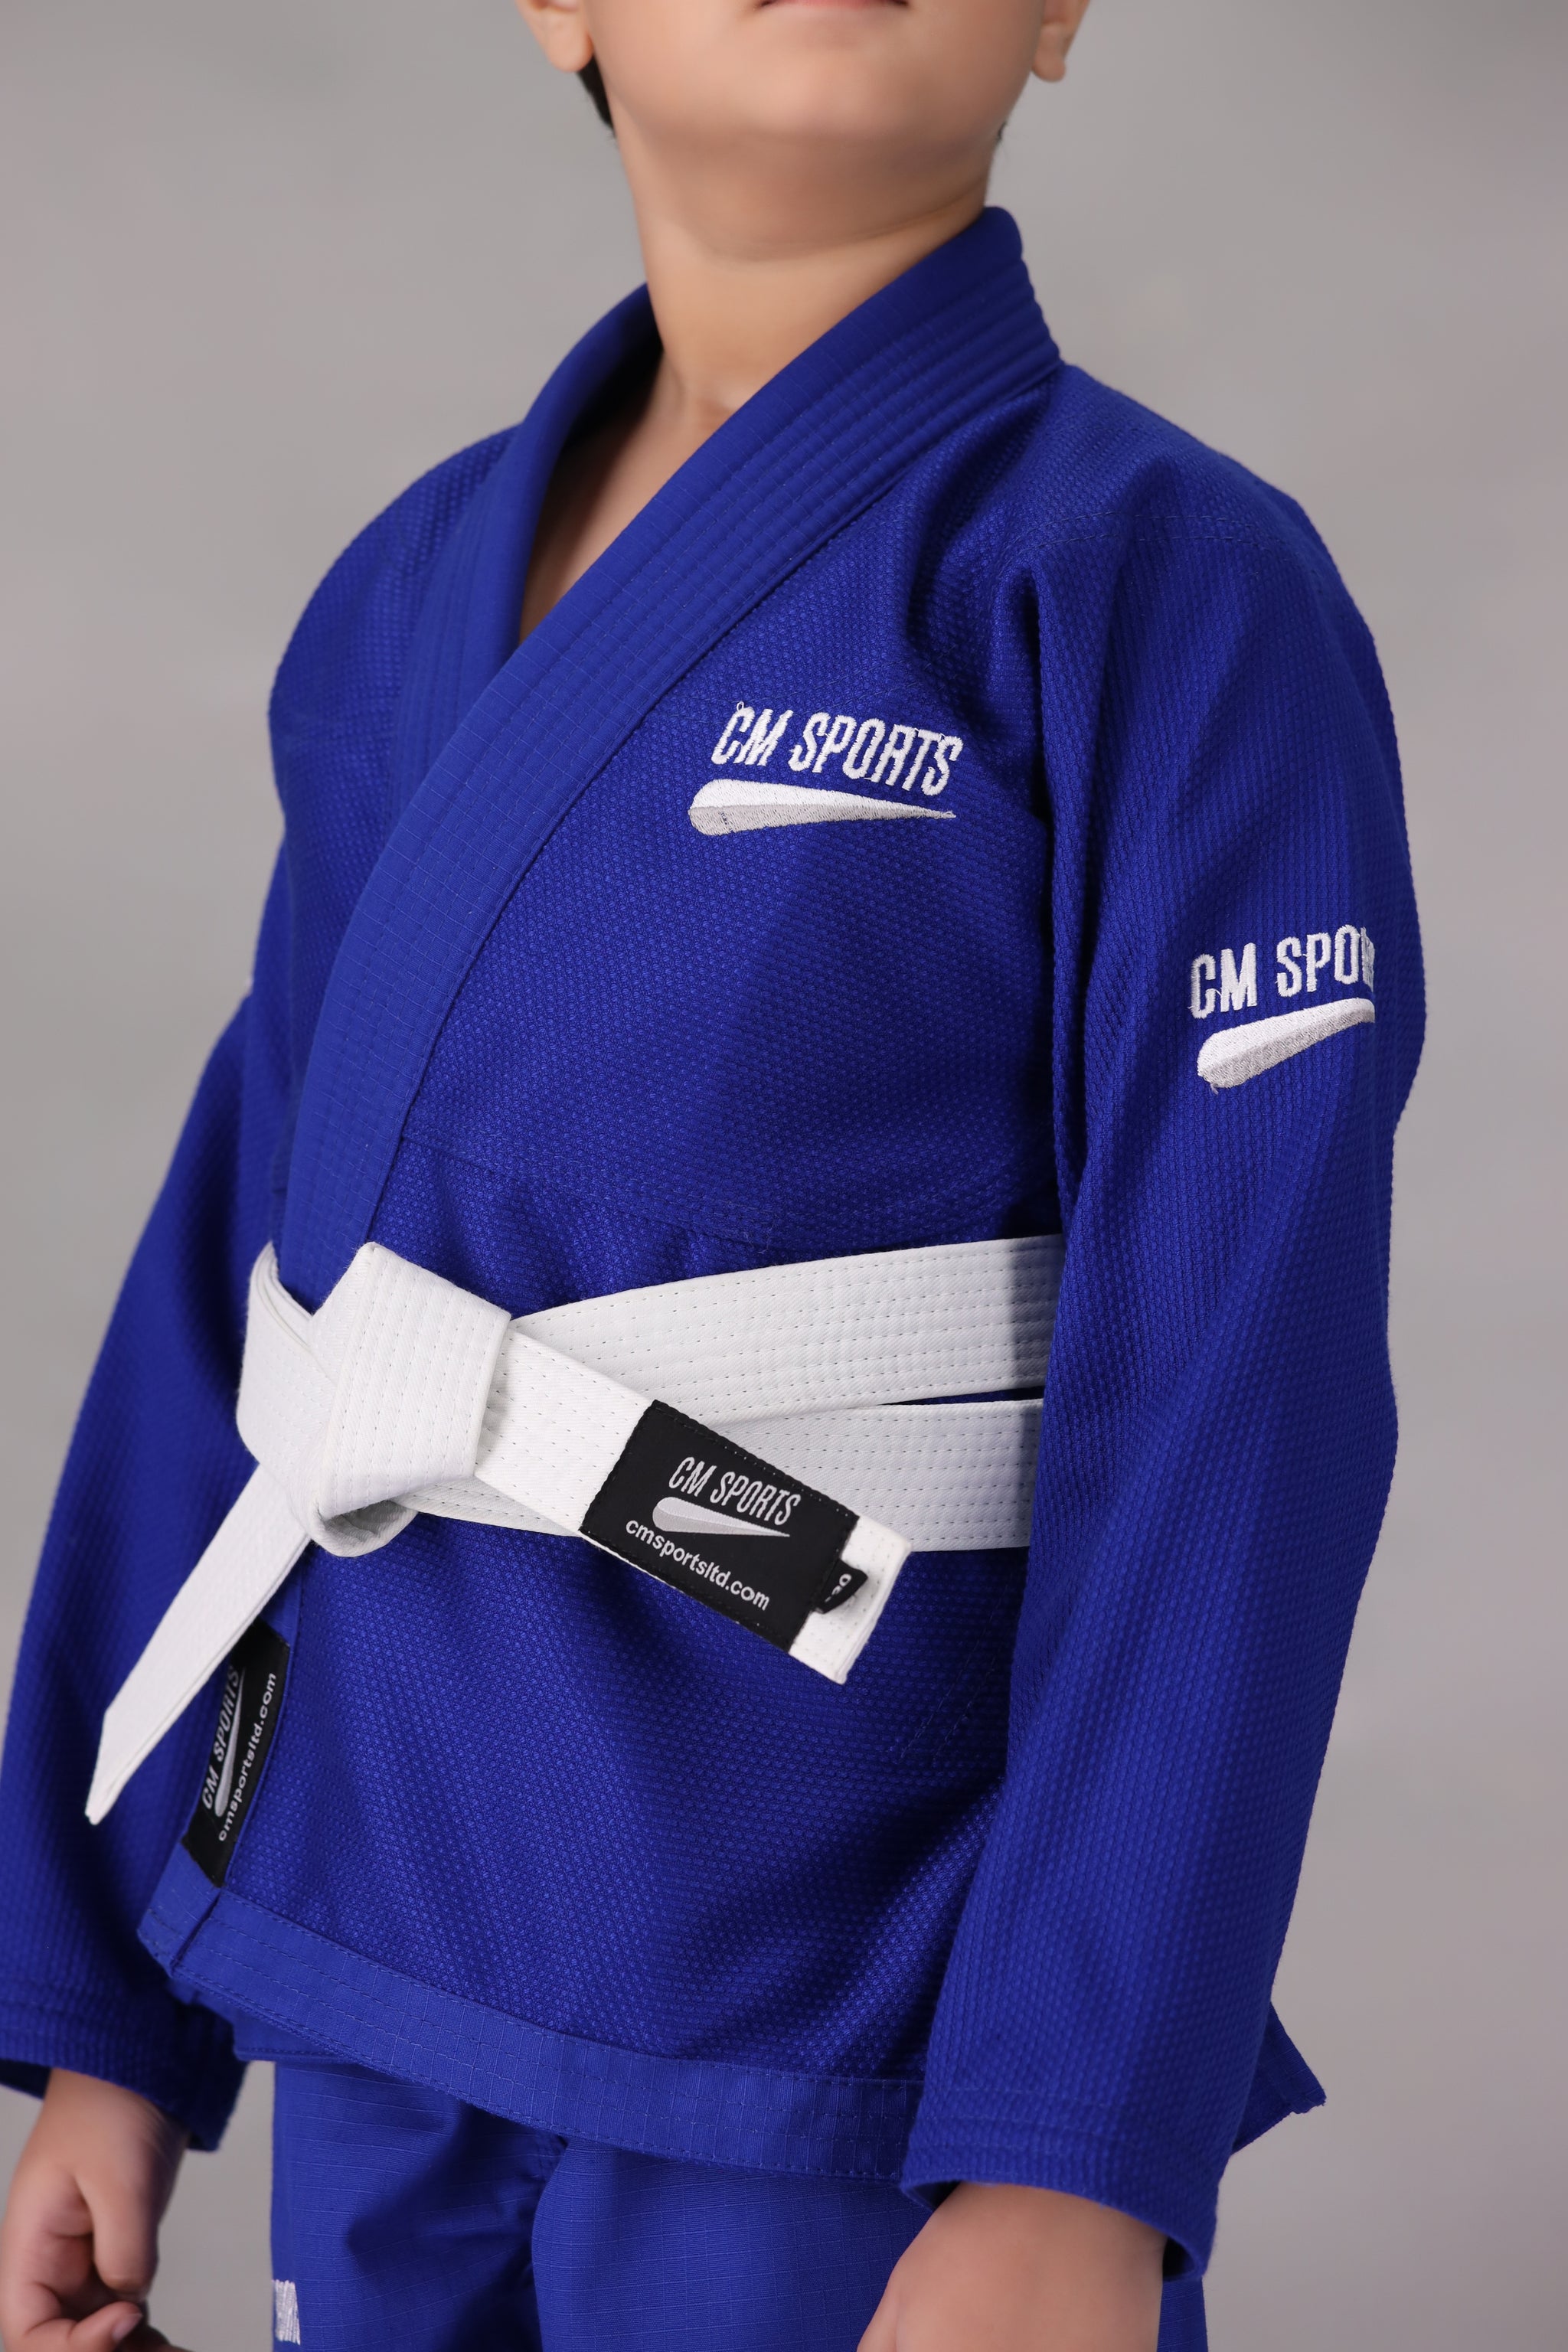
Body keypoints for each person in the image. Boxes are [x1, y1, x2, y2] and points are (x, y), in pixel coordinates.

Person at [0, 2, 1424, 2347]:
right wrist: (110, 1999)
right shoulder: (408, 586)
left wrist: (1076, 2147)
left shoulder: (1165, 578)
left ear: (1059, 15)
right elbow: (257, 1305)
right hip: (373, 1941)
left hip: (843, 2013)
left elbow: (1237, 1398)